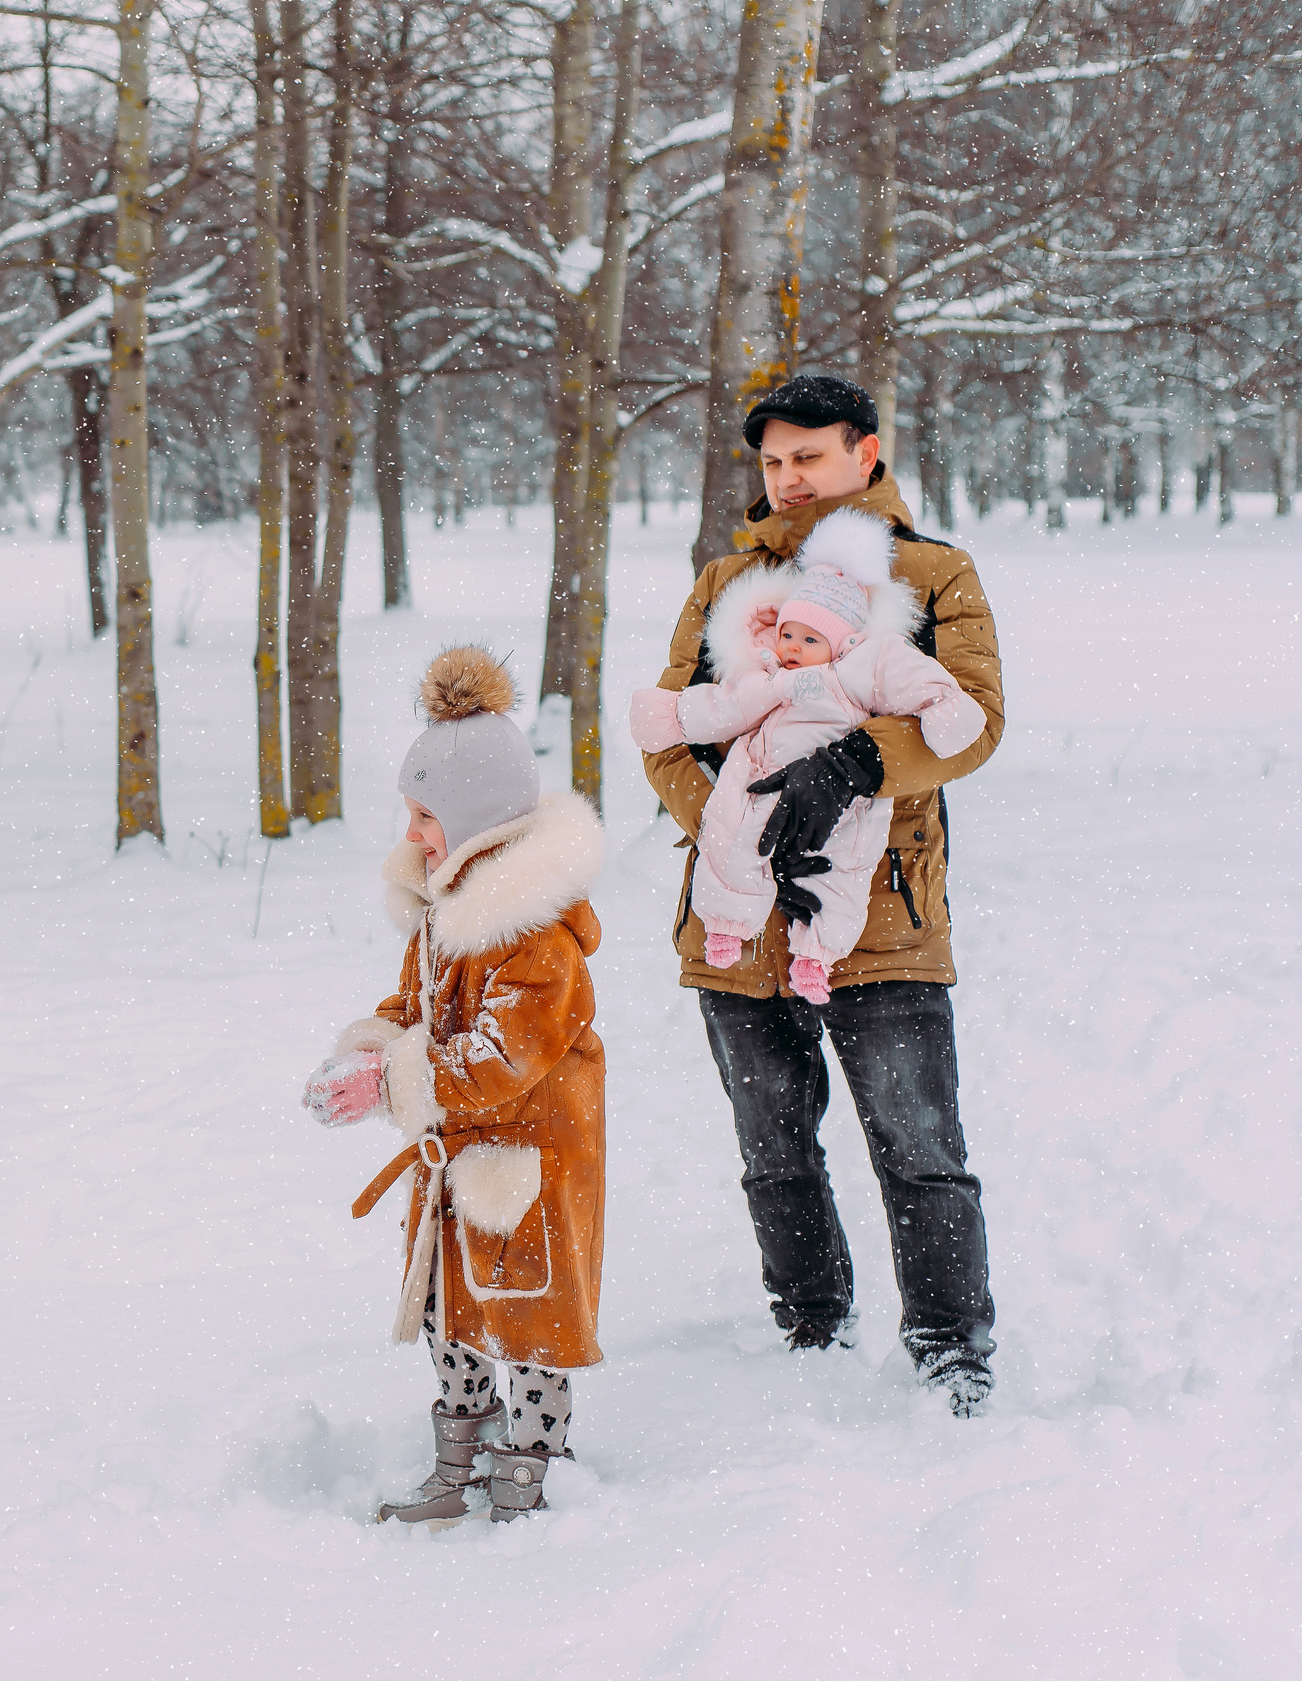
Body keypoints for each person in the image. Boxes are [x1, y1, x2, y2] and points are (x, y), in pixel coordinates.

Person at [639, 373, 1004, 1415]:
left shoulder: (933, 575)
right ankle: (809, 1323)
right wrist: (735, 817)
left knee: (920, 1146)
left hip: (882, 910)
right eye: (772, 460)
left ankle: (949, 1349)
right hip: (734, 916)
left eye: (809, 454)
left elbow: (971, 722)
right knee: (772, 1147)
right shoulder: (724, 582)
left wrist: (851, 770)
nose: (788, 476)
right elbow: (671, 721)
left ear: (866, 454)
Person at [304, 646, 607, 1525]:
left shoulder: (535, 939)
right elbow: (413, 1008)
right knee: (451, 1313)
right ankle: (461, 1455)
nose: (413, 834)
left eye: (425, 815)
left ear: (475, 820)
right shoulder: (442, 917)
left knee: (529, 1323)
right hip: (458, 1164)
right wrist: (368, 1053)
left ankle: (536, 1458)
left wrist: (400, 1086)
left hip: (530, 1168)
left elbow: (501, 1056)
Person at [630, 507, 986, 1005]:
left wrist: (931, 721)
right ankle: (726, 924)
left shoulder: (865, 664)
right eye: (789, 634)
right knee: (730, 838)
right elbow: (726, 706)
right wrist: (673, 715)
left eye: (811, 639)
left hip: (852, 825)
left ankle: (817, 953)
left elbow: (935, 693)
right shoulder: (766, 669)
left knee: (844, 865)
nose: (794, 647)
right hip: (756, 781)